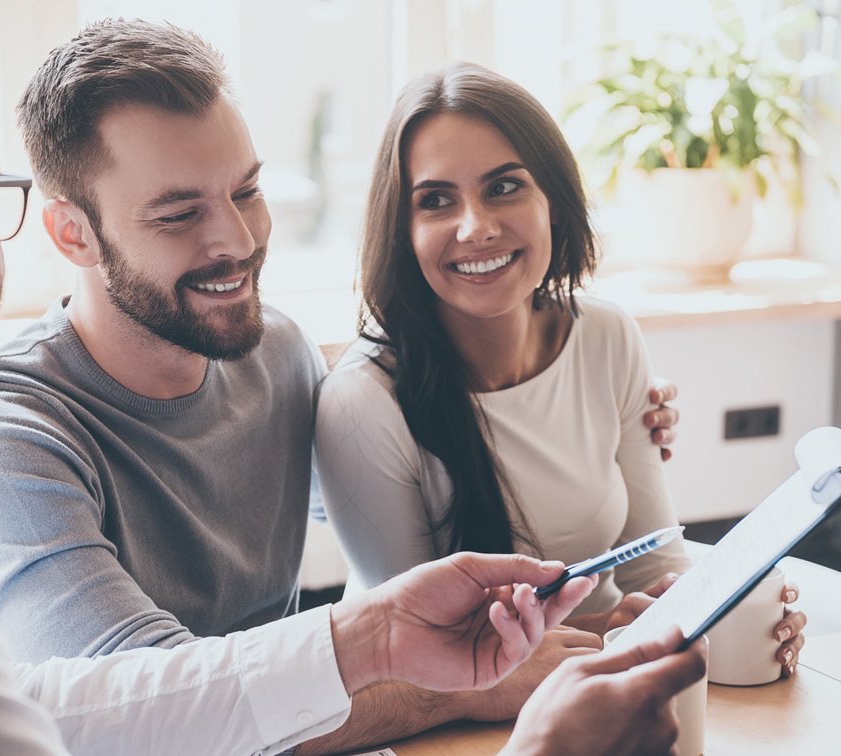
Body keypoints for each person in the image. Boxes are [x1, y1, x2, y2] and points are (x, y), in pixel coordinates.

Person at [0, 3, 707, 753]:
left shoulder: (274, 353)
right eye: (176, 214)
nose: (237, 241)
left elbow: (80, 707)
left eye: (247, 192)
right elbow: (131, 718)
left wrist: (599, 403)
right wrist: (496, 711)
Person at [314, 62, 807, 673]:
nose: (476, 227)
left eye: (504, 187)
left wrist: (731, 618)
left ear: (553, 200)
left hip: (606, 679)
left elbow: (654, 567)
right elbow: (423, 655)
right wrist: (612, 633)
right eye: (436, 201)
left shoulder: (605, 336)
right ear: (401, 230)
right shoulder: (362, 403)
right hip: (447, 710)